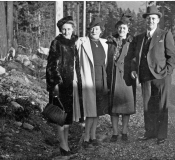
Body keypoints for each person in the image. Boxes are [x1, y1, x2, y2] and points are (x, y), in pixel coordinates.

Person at [130, 5, 175, 145]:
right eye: (148, 18)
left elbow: (171, 55)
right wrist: (133, 69)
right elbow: (133, 56)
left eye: (153, 18)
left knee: (161, 105)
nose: (150, 21)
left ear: (158, 20)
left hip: (162, 76)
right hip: (145, 77)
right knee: (147, 106)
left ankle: (161, 135)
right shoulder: (139, 38)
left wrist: (167, 72)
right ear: (145, 20)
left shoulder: (164, 34)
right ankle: (149, 132)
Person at [46, 16, 84, 156]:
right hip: (60, 84)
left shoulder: (75, 42)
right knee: (60, 117)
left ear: (73, 29)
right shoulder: (57, 42)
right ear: (60, 30)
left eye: (69, 29)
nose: (67, 31)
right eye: (64, 29)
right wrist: (55, 82)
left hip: (72, 83)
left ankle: (66, 144)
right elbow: (51, 65)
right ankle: (63, 146)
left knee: (68, 117)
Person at [76, 17, 108, 149]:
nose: (94, 30)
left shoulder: (104, 43)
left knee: (98, 111)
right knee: (90, 111)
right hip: (89, 79)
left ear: (101, 31)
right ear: (89, 30)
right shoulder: (83, 42)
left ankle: (93, 136)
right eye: (92, 28)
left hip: (101, 79)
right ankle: (86, 137)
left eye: (97, 28)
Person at [106, 14, 136, 142]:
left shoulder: (132, 42)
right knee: (113, 106)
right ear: (116, 29)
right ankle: (115, 132)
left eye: (124, 28)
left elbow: (136, 58)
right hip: (113, 76)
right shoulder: (110, 42)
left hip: (126, 77)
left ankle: (124, 131)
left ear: (128, 29)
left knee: (126, 106)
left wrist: (134, 70)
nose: (121, 30)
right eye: (119, 28)